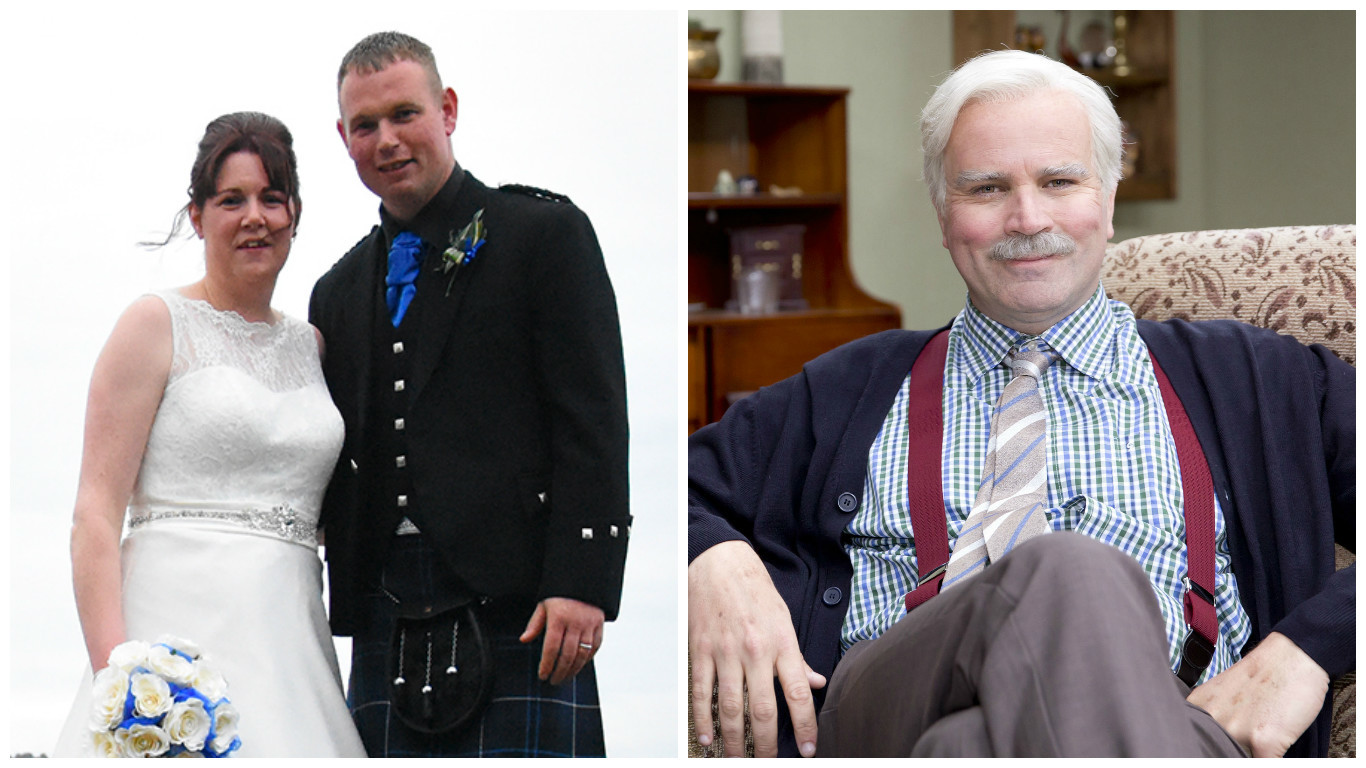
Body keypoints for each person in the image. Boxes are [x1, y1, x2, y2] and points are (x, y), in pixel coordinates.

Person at [688, 50, 1353, 758]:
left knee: (970, 745)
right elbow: (649, 487)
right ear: (943, 216)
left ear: (1109, 198)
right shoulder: (846, 389)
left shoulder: (1263, 379)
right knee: (1068, 570)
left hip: (1182, 728)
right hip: (887, 714)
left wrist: (1305, 648)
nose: (1027, 216)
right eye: (986, 189)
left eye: (1060, 180)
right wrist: (713, 555)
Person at [309, 31, 631, 757]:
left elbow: (593, 419)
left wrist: (582, 581)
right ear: (344, 138)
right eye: (365, 126)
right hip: (387, 606)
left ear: (447, 110)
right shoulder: (336, 291)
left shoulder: (543, 235)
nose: (386, 140)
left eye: (404, 114)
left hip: (522, 603)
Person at [53, 112, 366, 757]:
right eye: (232, 200)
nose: (256, 217)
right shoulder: (153, 324)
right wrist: (125, 682)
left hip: (292, 650)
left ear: (295, 213)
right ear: (196, 216)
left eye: (272, 198)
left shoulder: (312, 346)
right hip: (173, 654)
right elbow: (95, 514)